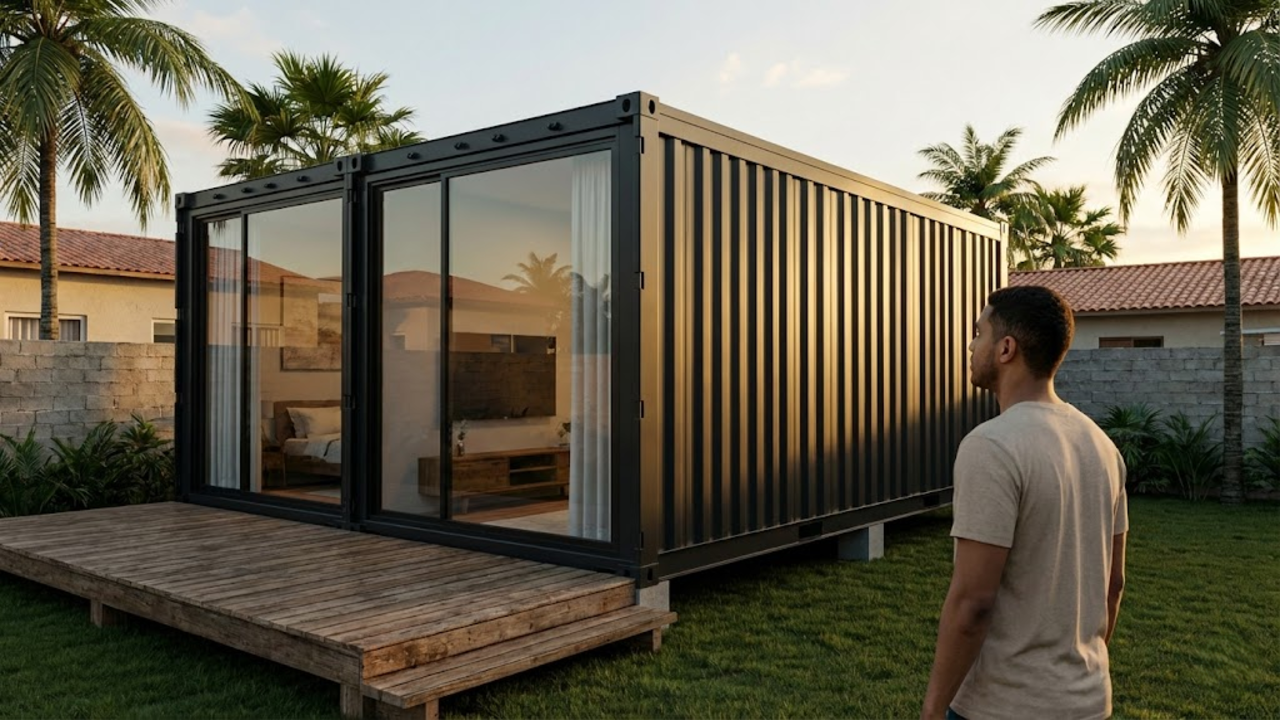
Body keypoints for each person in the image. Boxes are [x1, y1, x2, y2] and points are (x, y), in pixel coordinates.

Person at [921, 285, 1128, 720]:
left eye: (979, 333)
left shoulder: (992, 447)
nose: (971, 345)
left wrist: (934, 709)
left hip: (1002, 707)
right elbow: (1114, 584)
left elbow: (974, 602)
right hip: (1089, 703)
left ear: (1006, 348)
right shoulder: (1103, 447)